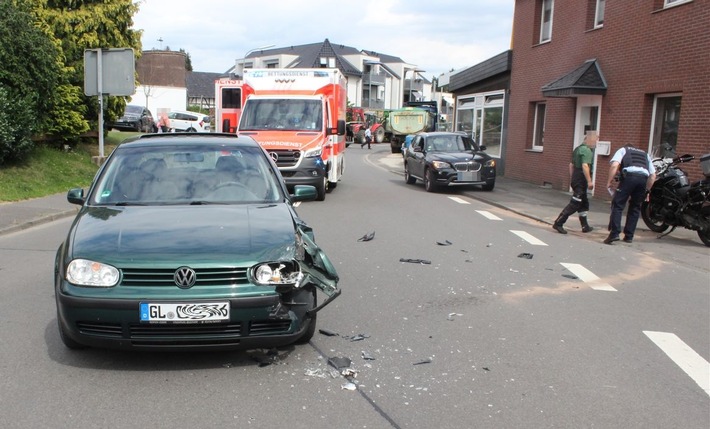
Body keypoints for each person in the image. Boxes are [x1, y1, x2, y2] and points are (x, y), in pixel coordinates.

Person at [604, 144, 656, 244]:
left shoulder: (623, 150)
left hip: (629, 177)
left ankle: (614, 234)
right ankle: (629, 236)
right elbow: (653, 176)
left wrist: (609, 182)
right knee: (635, 207)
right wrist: (647, 191)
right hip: (643, 179)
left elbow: (614, 165)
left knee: (618, 205)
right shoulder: (645, 154)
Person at [552, 131, 598, 234]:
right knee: (575, 203)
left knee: (583, 203)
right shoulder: (586, 151)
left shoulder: (577, 149)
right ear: (589, 139)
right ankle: (559, 222)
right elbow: (585, 166)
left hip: (576, 177)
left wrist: (572, 179)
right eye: (595, 140)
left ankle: (585, 226)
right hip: (581, 178)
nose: (596, 143)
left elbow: (571, 165)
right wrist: (589, 181)